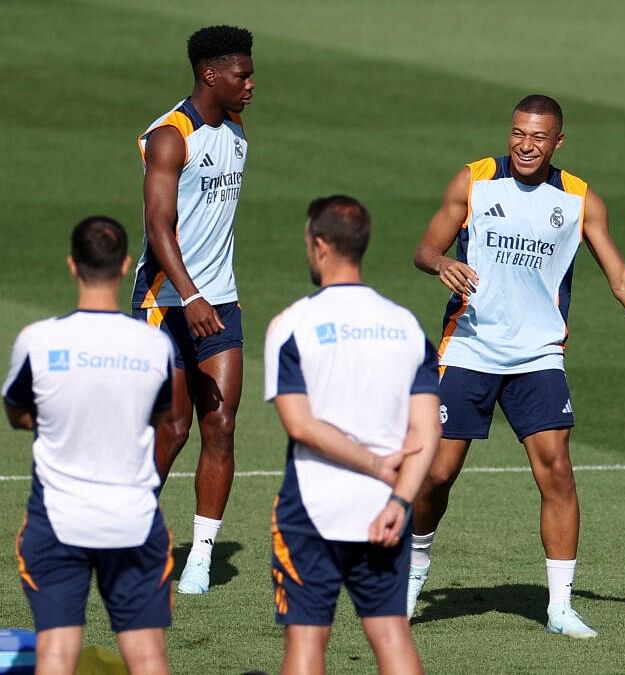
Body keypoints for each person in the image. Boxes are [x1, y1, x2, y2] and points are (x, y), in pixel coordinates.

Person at [409, 94, 625, 637]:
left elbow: (620, 279)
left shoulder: (579, 199)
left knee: (557, 473)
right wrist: (443, 263)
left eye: (539, 137)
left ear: (558, 142)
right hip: (470, 349)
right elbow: (425, 249)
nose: (526, 145)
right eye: (519, 133)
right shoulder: (474, 180)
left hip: (538, 355)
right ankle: (410, 577)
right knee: (436, 474)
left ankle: (559, 606)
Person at [264, 196, 440, 674]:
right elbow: (428, 430)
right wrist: (400, 501)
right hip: (385, 510)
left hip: (311, 508)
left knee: (305, 643)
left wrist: (372, 463)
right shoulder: (406, 326)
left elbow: (300, 425)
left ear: (320, 246)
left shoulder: (291, 324)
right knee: (391, 635)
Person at [5, 216, 175, 675]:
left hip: (58, 521)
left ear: (71, 265)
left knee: (56, 655)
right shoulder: (154, 346)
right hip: (133, 521)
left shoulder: (36, 341)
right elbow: (159, 417)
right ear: (124, 266)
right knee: (148, 656)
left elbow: (18, 413)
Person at [131, 24, 255, 593]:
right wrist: (192, 294)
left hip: (220, 303)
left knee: (221, 425)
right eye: (241, 75)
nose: (250, 84)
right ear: (210, 74)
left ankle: (201, 557)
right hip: (168, 303)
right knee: (174, 427)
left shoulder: (235, 128)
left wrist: (211, 295)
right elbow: (159, 228)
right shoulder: (168, 137)